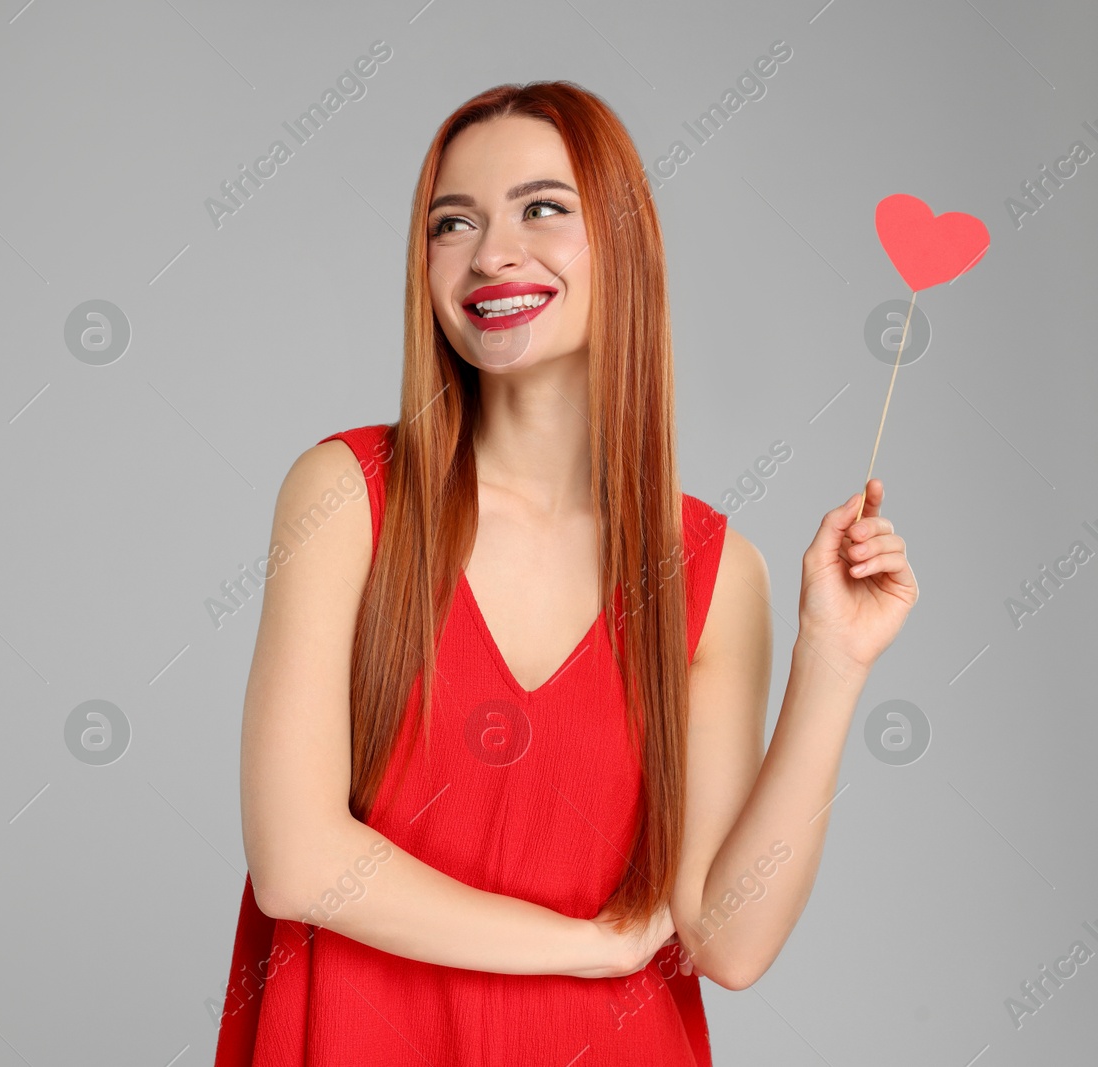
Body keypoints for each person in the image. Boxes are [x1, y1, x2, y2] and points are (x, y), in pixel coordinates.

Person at [213, 80, 917, 1066]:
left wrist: (834, 663)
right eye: (451, 222)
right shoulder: (344, 497)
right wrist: (584, 945)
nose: (491, 251)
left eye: (543, 208)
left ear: (625, 242)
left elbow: (729, 938)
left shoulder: (717, 574)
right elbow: (295, 862)